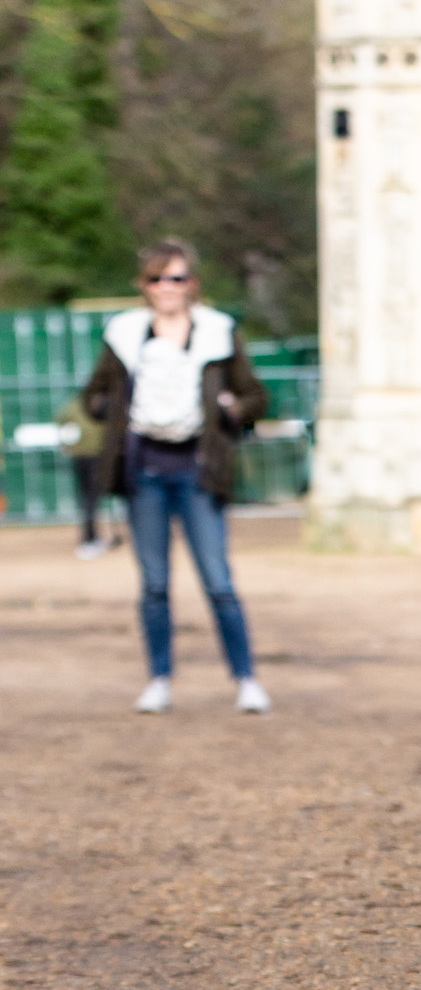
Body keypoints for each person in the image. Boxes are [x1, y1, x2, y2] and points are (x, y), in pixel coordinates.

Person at [82, 239, 270, 715]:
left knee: (218, 581)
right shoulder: (124, 335)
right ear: (144, 286)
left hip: (199, 470)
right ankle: (159, 679)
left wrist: (231, 409)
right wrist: (115, 409)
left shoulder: (219, 333)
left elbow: (254, 396)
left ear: (193, 284)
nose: (168, 287)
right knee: (155, 584)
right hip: (144, 470)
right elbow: (94, 396)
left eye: (178, 277)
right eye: (158, 278)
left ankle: (246, 679)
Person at [54, 390, 115, 558]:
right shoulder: (99, 402)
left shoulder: (75, 403)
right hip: (94, 456)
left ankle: (90, 537)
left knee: (88, 498)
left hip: (84, 455)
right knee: (92, 499)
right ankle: (89, 539)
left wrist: (67, 443)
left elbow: (60, 420)